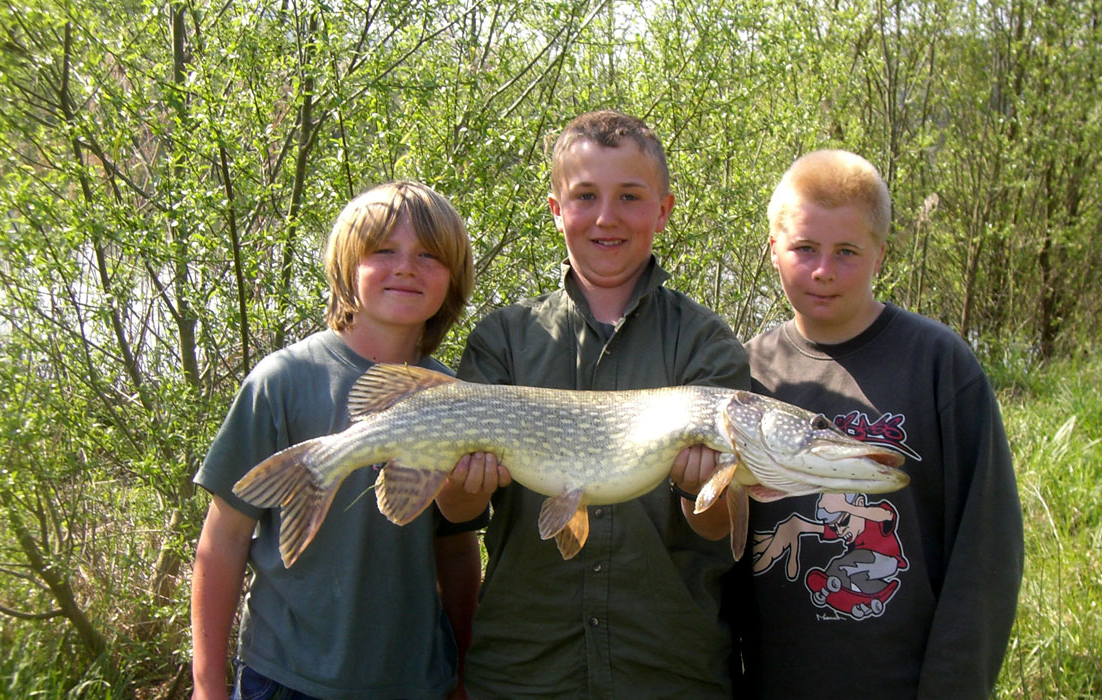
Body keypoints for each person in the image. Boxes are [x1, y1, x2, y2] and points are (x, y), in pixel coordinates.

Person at [435, 109, 751, 698]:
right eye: (586, 196)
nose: (607, 217)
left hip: (665, 672)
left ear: (663, 210)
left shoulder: (705, 342)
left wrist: (696, 487)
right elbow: (456, 512)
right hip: (525, 673)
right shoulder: (503, 338)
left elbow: (718, 523)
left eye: (630, 196)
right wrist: (466, 482)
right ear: (557, 210)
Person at [732, 150, 1023, 699]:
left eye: (847, 252)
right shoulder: (745, 376)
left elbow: (987, 549)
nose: (823, 270)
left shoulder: (938, 364)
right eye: (804, 249)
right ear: (773, 249)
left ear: (880, 254)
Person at [190, 181, 488, 700]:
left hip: (416, 683)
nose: (406, 267)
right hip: (284, 679)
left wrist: (465, 668)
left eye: (429, 256)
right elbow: (224, 541)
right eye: (383, 251)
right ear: (346, 266)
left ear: (453, 279)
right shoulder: (280, 381)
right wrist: (207, 686)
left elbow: (458, 552)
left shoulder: (459, 397)